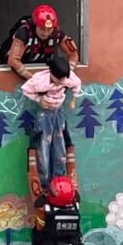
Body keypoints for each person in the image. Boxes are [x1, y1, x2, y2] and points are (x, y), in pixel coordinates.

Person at [20, 54, 82, 190]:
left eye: (64, 78)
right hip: (45, 116)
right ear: (52, 73)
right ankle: (44, 184)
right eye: (59, 78)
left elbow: (77, 84)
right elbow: (26, 89)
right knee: (43, 148)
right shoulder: (40, 80)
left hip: (58, 113)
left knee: (60, 147)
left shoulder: (67, 77)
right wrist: (39, 100)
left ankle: (59, 181)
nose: (62, 81)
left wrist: (73, 100)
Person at [6, 4, 80, 80]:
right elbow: (13, 60)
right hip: (23, 69)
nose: (45, 33)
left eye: (49, 29)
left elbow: (73, 54)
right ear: (35, 24)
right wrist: (33, 78)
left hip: (43, 69)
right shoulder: (24, 33)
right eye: (42, 29)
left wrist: (69, 73)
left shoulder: (57, 33)